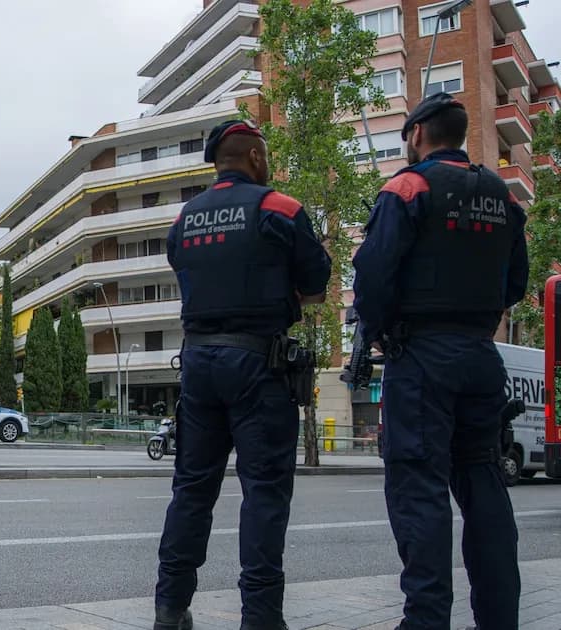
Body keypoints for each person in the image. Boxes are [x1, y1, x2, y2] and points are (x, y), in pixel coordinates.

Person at [352, 92, 527, 630]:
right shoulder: (501, 196)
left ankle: (425, 620)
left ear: (417, 134)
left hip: (422, 359)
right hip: (480, 356)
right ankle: (499, 617)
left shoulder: (407, 188)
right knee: (483, 484)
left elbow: (374, 277)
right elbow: (515, 285)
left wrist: (379, 333)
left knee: (419, 490)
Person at [154, 119, 331, 630]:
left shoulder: (185, 218)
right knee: (265, 492)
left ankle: (170, 607)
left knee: (191, 489)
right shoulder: (280, 207)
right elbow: (317, 282)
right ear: (255, 156)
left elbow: (184, 269)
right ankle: (260, 617)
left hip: (199, 365)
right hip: (259, 364)